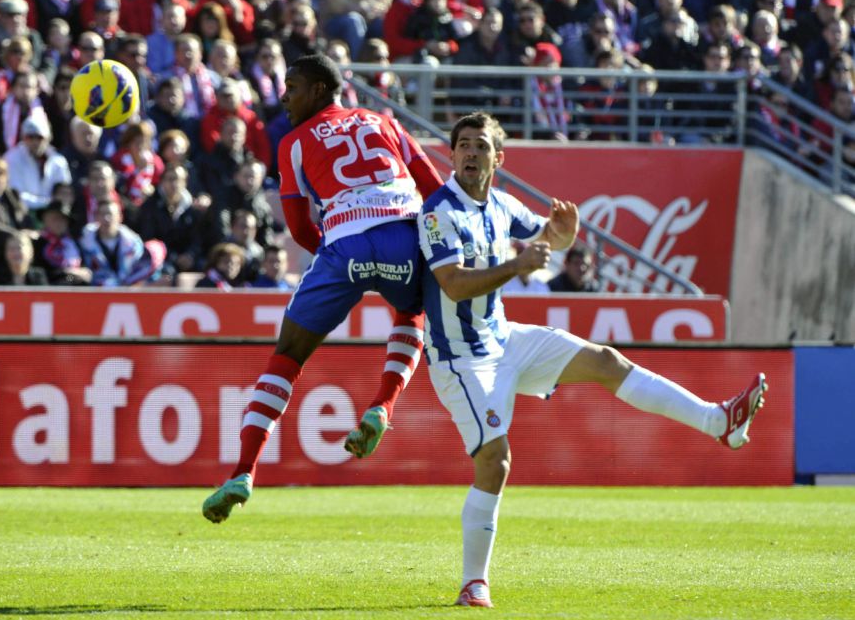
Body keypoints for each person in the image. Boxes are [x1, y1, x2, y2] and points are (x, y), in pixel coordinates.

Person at [418, 112, 767, 607]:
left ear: (499, 158)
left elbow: (549, 237)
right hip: (460, 358)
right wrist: (518, 264)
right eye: (463, 146)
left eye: (480, 146)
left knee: (605, 359)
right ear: (451, 155)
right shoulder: (438, 212)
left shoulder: (501, 204)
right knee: (495, 462)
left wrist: (563, 234)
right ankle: (474, 582)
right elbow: (452, 284)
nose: (470, 153)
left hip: (503, 338)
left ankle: (719, 421)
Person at [202, 54, 444, 523]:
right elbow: (433, 189)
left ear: (318, 89)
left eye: (291, 87)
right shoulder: (384, 121)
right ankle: (381, 407)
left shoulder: (293, 142)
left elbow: (297, 226)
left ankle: (243, 472)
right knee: (412, 312)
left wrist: (338, 254)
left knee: (287, 355)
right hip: (402, 233)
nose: (284, 97)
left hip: (343, 245)